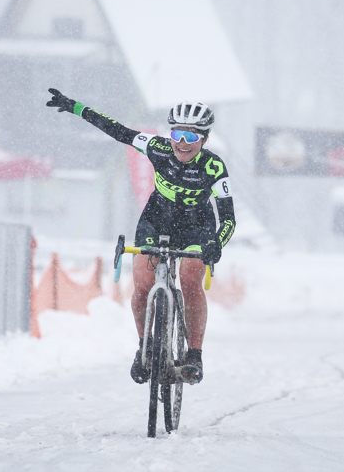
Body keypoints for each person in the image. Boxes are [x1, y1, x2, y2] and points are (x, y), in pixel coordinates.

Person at [46, 88, 235, 385]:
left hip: (197, 226)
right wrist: (75, 106)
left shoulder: (214, 167)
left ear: (205, 140)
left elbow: (228, 219)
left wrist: (216, 244)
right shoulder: (156, 147)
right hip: (157, 219)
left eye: (191, 138)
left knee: (189, 278)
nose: (182, 145)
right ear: (169, 135)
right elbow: (117, 130)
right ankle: (144, 347)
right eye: (177, 136)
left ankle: (194, 354)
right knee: (144, 284)